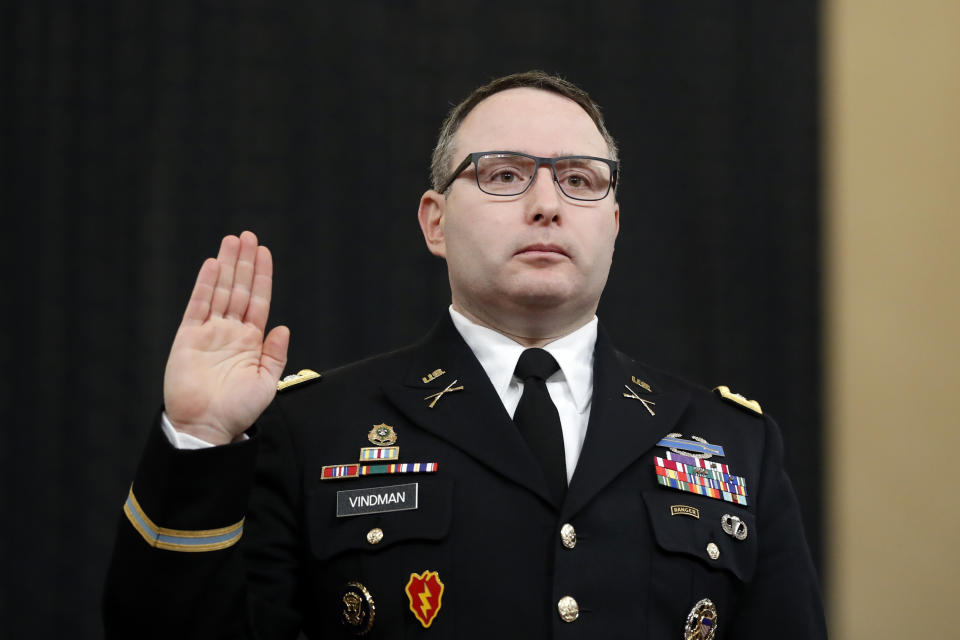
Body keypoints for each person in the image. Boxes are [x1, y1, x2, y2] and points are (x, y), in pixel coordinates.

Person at [103, 71, 827, 639]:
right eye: (504, 174)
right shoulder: (315, 429)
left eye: (579, 179)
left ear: (613, 220)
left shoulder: (734, 444)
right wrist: (196, 441)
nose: (546, 203)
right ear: (435, 221)